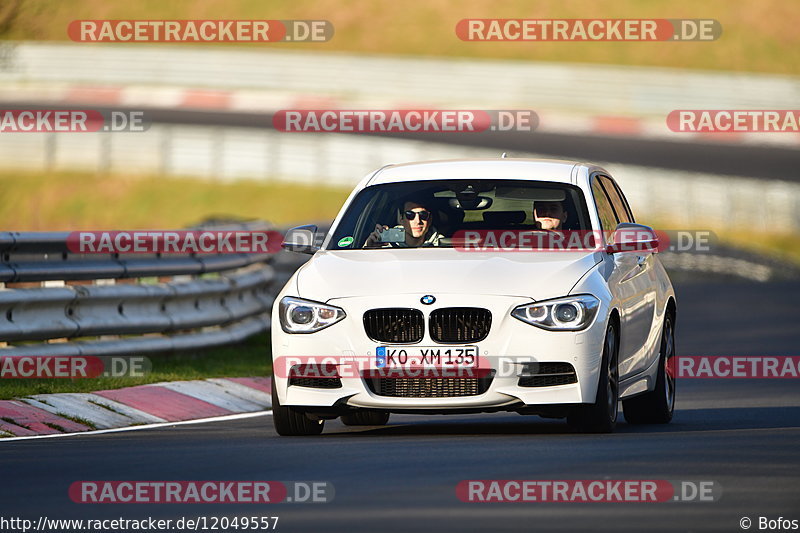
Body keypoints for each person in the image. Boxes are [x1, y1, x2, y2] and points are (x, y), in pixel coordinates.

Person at [364, 199, 444, 248]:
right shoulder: (386, 245)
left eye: (423, 215)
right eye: (410, 215)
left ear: (430, 219)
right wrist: (368, 248)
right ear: (401, 219)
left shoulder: (443, 245)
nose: (418, 221)